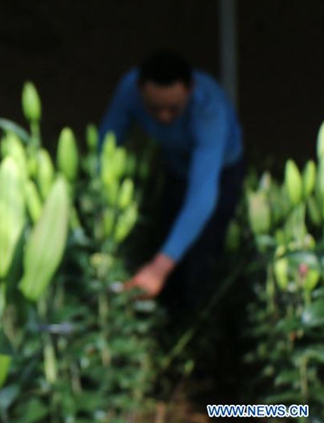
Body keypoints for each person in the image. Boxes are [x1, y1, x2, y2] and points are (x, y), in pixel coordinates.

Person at [100, 50, 244, 309]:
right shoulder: (128, 90)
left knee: (202, 250)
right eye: (155, 109)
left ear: (190, 90)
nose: (164, 117)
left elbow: (202, 195)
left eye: (173, 109)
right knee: (166, 230)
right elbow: (107, 143)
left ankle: (197, 317)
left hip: (221, 173)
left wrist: (160, 265)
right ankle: (165, 310)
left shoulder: (209, 108)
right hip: (176, 167)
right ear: (140, 90)